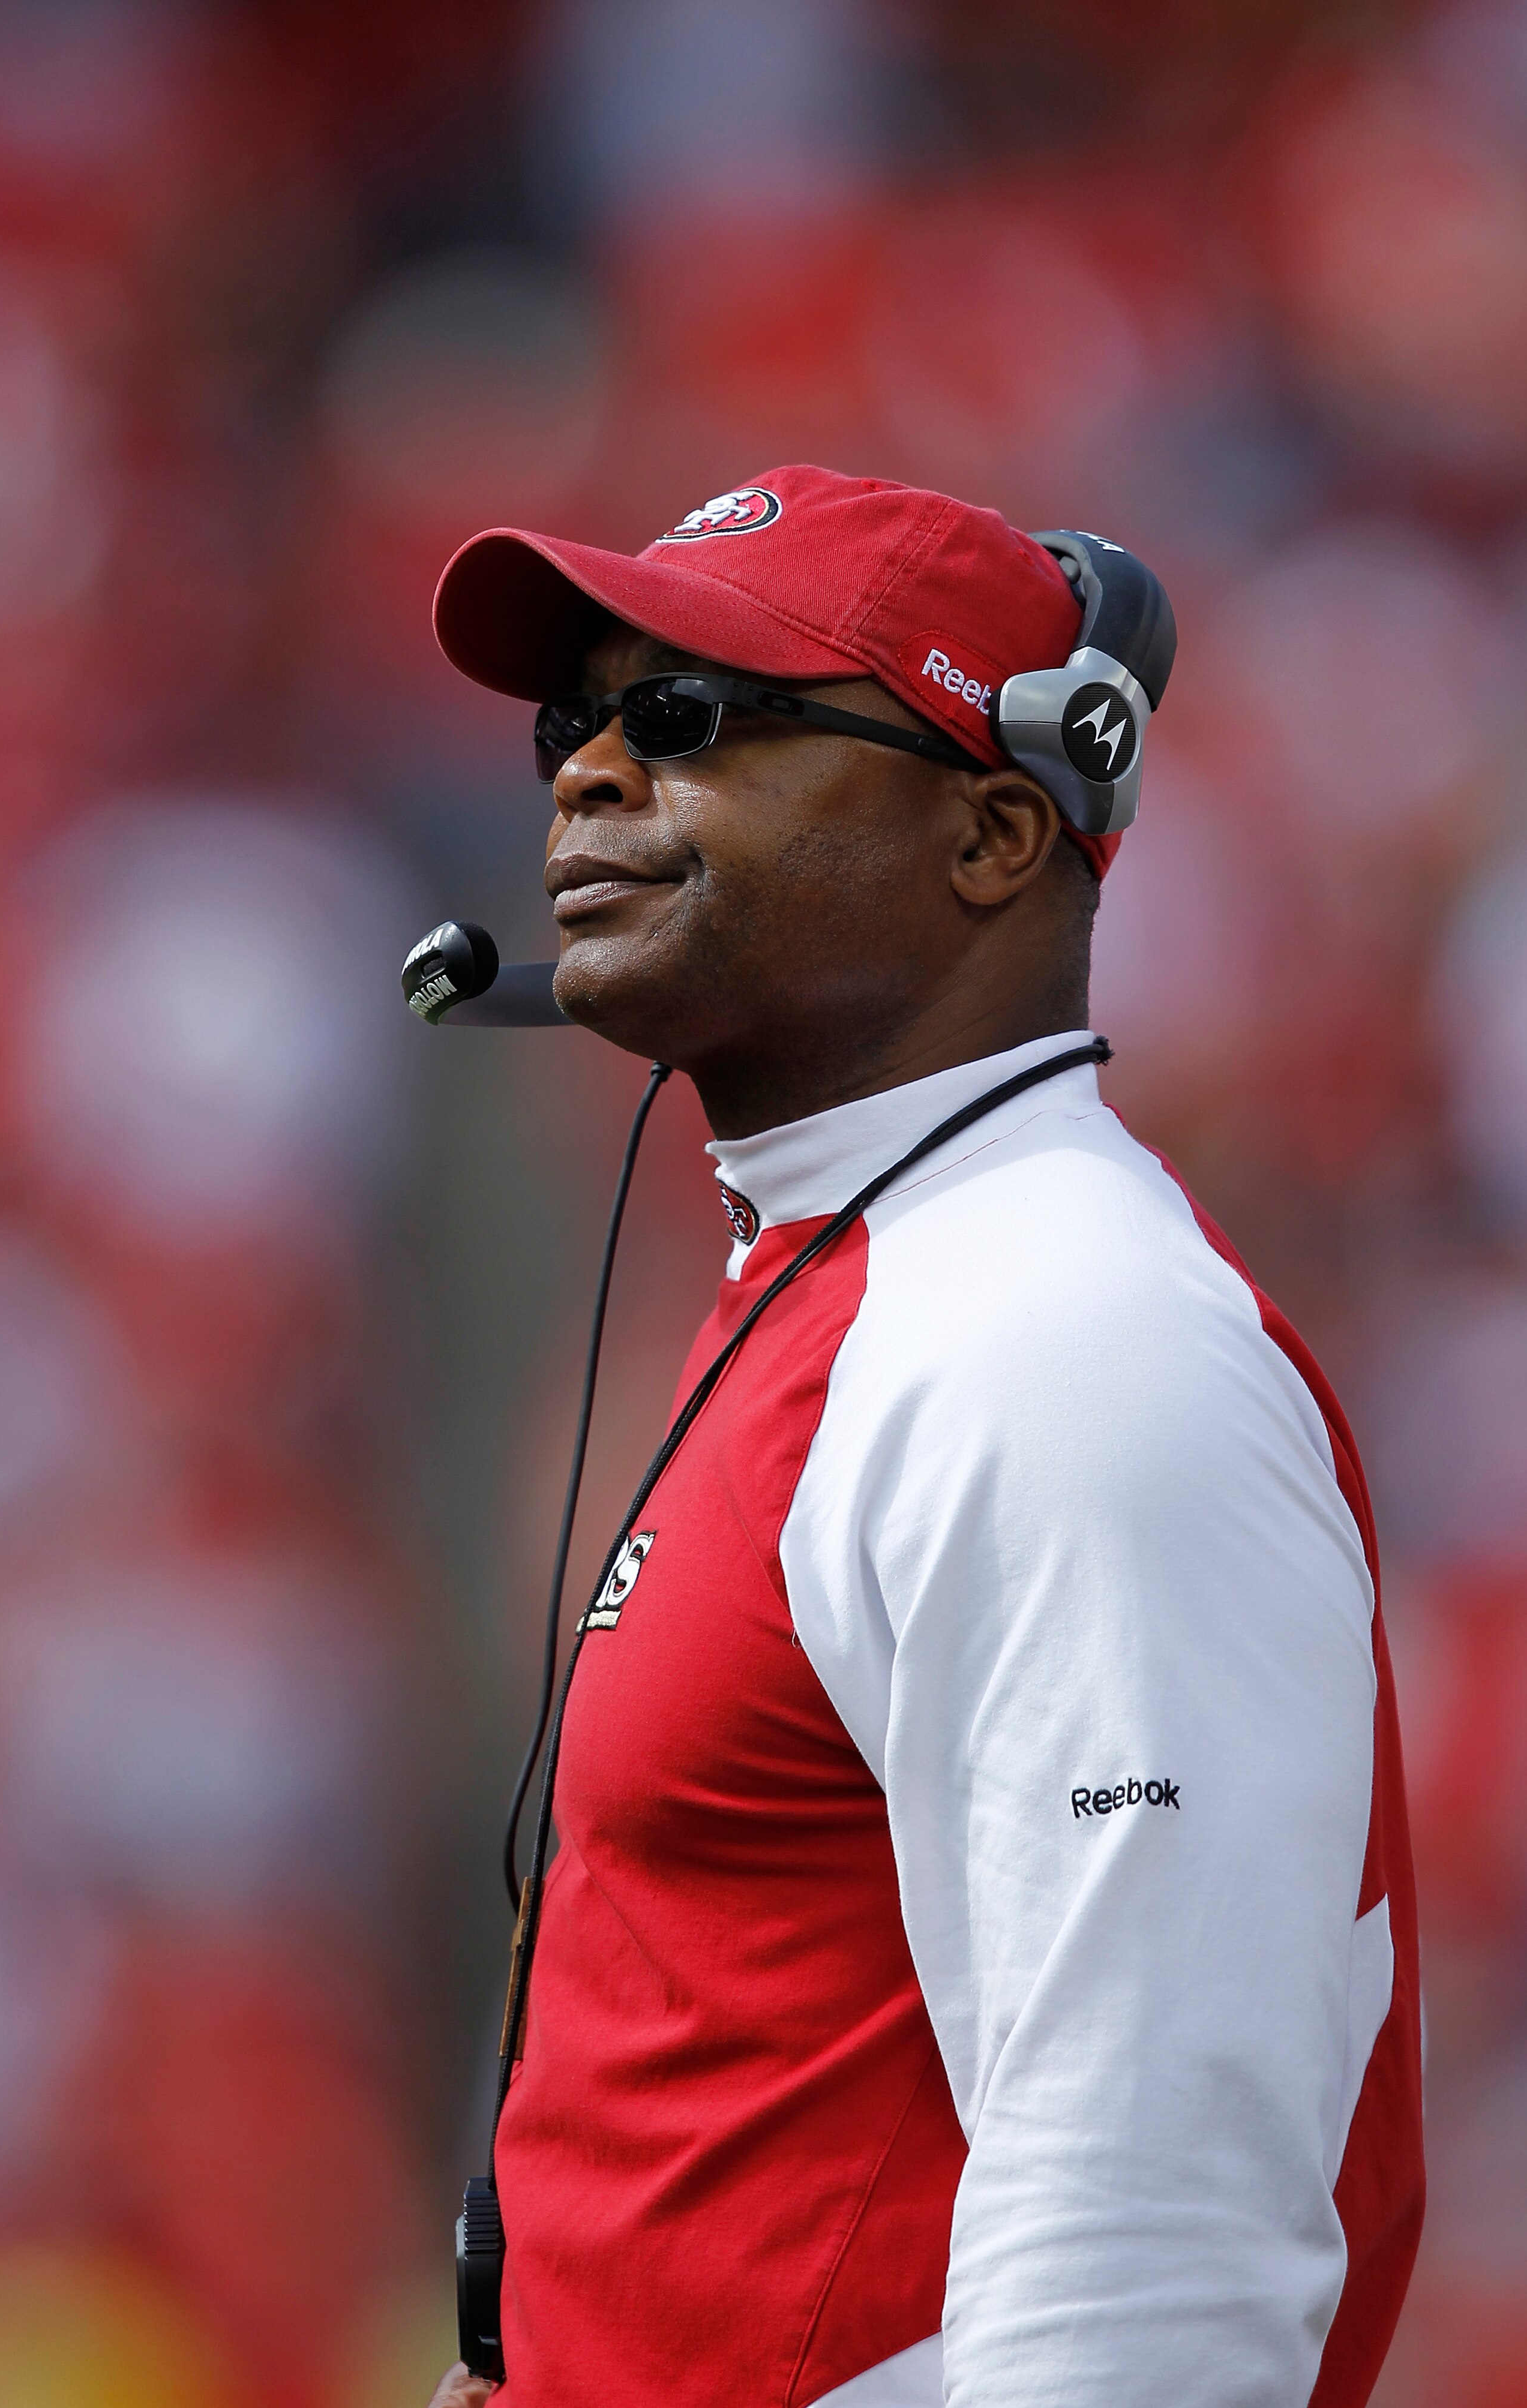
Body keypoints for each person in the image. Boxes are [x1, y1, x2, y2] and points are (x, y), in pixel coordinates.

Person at [424, 466, 1423, 2408]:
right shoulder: (873, 1282)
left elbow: (1155, 2238)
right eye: (580, 721)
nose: (591, 777)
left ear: (989, 831)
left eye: (694, 716)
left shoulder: (1061, 1333)